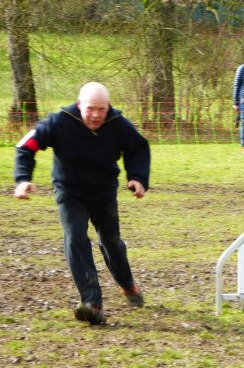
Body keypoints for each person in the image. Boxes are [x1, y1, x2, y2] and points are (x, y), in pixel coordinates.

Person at [14, 82, 151, 325]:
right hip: (70, 191)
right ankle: (92, 303)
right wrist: (23, 179)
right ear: (79, 105)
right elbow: (26, 147)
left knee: (111, 243)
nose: (96, 115)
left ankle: (128, 285)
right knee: (75, 238)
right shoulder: (58, 122)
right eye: (90, 109)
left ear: (108, 107)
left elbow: (138, 148)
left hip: (103, 192)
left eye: (101, 109)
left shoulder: (119, 125)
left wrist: (138, 178)